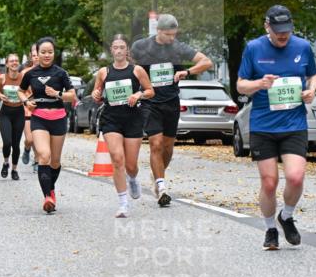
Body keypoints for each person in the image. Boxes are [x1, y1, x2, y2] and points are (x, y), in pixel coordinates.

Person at [236, 5, 316, 250]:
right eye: (278, 31)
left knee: (295, 176)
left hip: (294, 123)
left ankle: (287, 215)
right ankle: (270, 228)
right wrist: (258, 84)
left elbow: (313, 75)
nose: (283, 35)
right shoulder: (253, 48)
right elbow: (240, 85)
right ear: (267, 27)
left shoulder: (303, 47)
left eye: (287, 30)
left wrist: (312, 90)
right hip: (263, 124)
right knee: (269, 183)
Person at [131, 14, 213, 206]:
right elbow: (132, 68)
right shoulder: (141, 47)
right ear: (158, 31)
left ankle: (157, 175)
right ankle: (161, 187)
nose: (171, 38)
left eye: (174, 34)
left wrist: (187, 71)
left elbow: (206, 62)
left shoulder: (178, 47)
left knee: (167, 148)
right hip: (150, 101)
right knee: (156, 144)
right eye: (168, 34)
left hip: (171, 102)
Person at [91, 34, 155, 217]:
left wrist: (138, 95)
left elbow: (151, 91)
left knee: (131, 165)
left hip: (132, 119)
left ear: (127, 51)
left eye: (122, 47)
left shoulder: (137, 70)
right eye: (115, 47)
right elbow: (97, 92)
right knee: (117, 159)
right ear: (111, 50)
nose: (118, 50)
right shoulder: (104, 72)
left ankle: (133, 178)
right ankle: (123, 203)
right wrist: (96, 95)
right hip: (111, 119)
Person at [19, 37, 76, 213]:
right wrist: (25, 102)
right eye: (43, 52)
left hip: (58, 118)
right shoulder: (30, 73)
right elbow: (21, 91)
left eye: (49, 52)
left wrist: (58, 93)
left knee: (55, 161)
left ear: (54, 53)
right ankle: (48, 197)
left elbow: (72, 95)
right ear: (37, 53)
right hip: (39, 118)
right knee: (44, 155)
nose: (46, 55)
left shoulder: (61, 73)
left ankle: (50, 188)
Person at [0, 53, 26, 180]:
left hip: (19, 112)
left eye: (16, 60)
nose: (14, 63)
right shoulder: (2, 78)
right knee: (7, 142)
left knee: (16, 144)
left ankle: (14, 169)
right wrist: (0, 95)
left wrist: (26, 100)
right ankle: (5, 163)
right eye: (11, 61)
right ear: (7, 64)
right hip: (6, 113)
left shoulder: (23, 78)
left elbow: (29, 91)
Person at [20, 44, 39, 170]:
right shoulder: (25, 73)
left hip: (41, 109)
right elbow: (20, 91)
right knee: (30, 139)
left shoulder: (49, 72)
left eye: (38, 55)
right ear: (31, 57)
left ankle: (38, 161)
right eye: (34, 56)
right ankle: (27, 149)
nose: (37, 58)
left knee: (39, 138)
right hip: (27, 109)